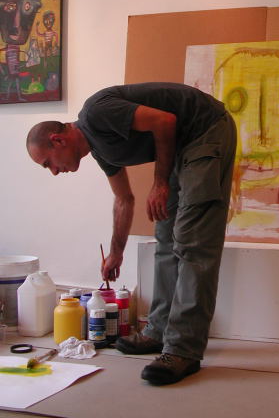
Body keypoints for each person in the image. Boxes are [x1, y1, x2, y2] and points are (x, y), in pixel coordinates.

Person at [26, 82, 237, 385]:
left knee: (194, 244)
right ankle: (159, 330)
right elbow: (124, 199)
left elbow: (165, 121)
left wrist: (160, 183)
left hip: (206, 128)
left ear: (57, 140)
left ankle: (183, 349)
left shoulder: (96, 113)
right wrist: (116, 253)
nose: (54, 171)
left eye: (48, 163)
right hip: (181, 144)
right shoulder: (102, 151)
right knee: (165, 238)